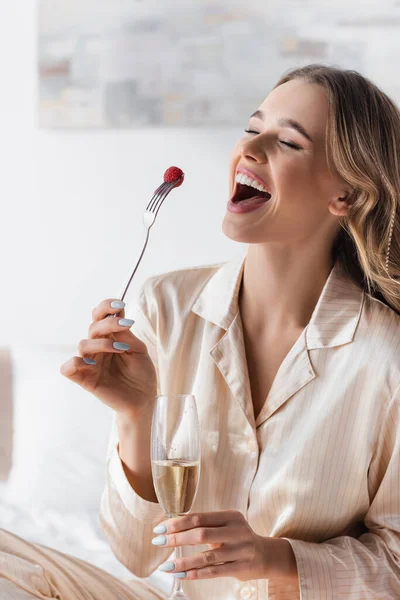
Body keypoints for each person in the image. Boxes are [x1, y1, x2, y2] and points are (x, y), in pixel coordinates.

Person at [1, 63, 399, 600]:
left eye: (287, 141)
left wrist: (275, 558)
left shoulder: (385, 356)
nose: (250, 148)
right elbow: (139, 553)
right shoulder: (166, 307)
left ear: (346, 197)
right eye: (252, 127)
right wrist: (138, 414)